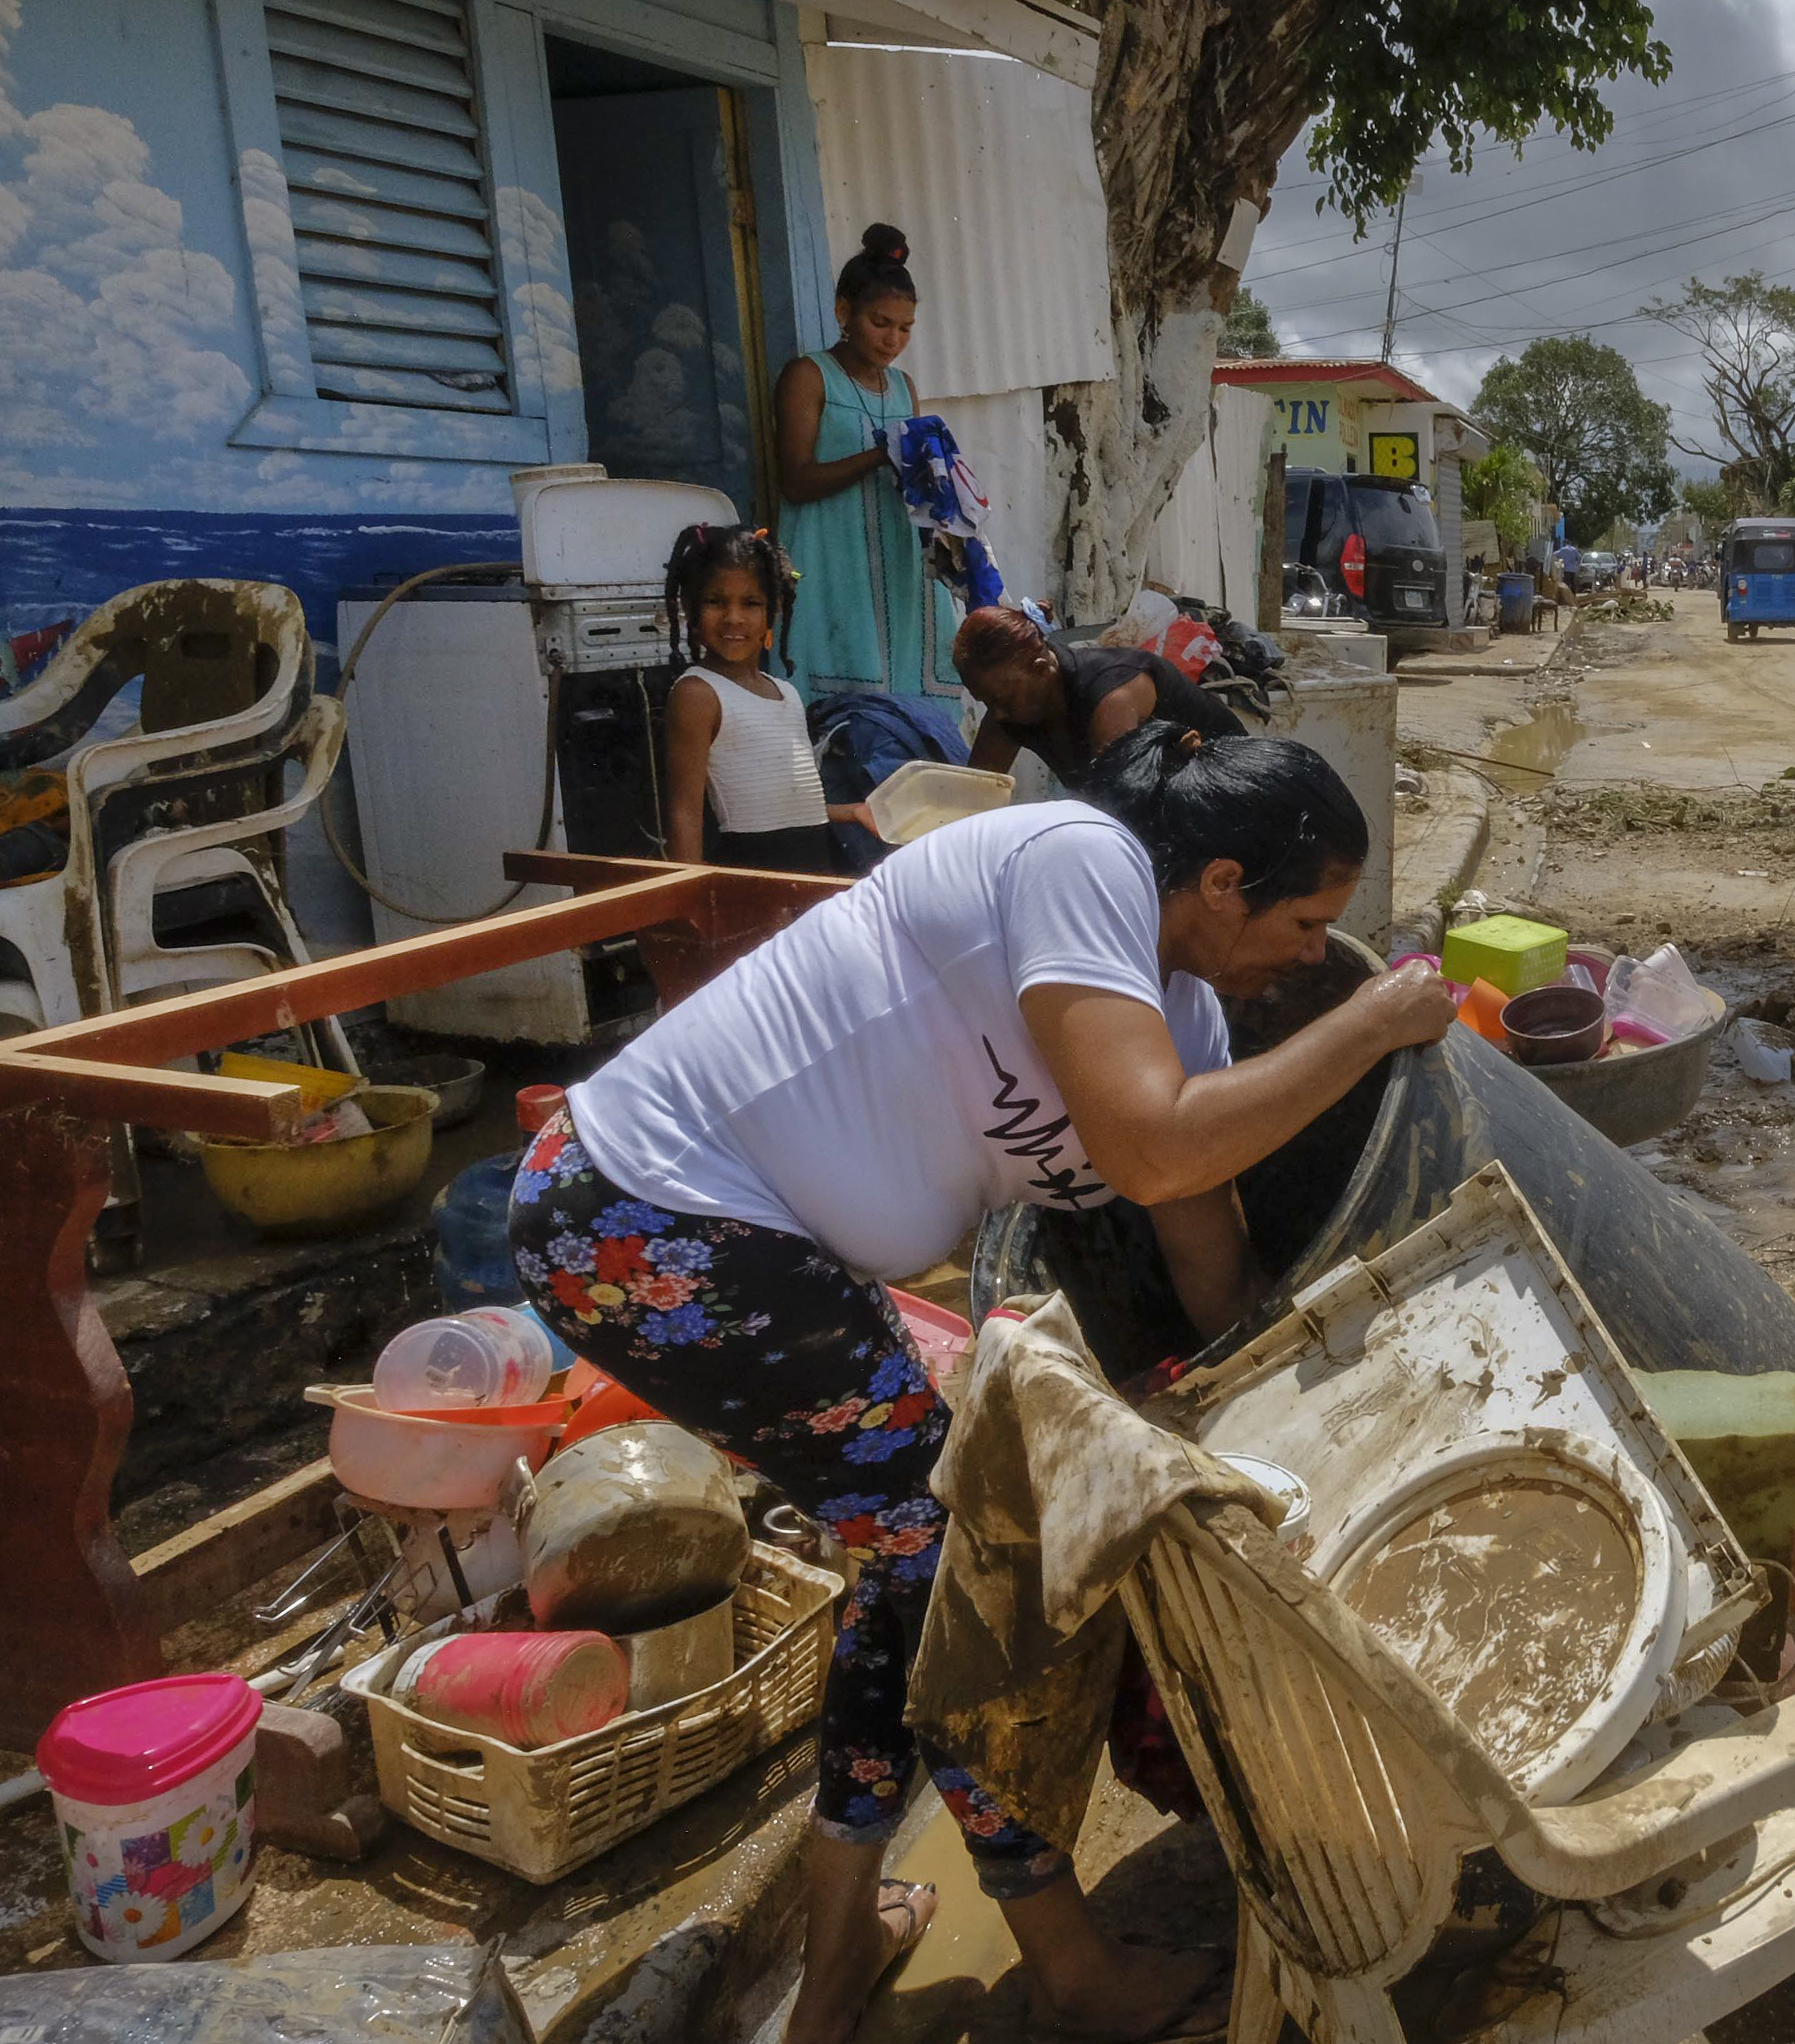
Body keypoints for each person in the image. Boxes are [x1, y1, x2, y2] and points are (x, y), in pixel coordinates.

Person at [509, 726, 1454, 2044]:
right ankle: (1050, 1965)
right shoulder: (1083, 862)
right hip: (650, 1216)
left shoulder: (1168, 1011)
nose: (1309, 957)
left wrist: (1266, 1419)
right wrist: (1372, 1020)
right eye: (1305, 923)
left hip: (726, 1250)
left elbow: (1200, 1241)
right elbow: (1151, 1147)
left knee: (908, 1578)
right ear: (1222, 880)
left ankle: (852, 1949)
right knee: (957, 1567)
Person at [777, 223, 959, 701]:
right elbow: (796, 481)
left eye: (905, 328)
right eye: (881, 323)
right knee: (836, 701)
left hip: (899, 560)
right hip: (831, 556)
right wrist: (881, 455)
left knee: (909, 701)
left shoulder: (904, 388)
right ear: (844, 312)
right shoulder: (810, 376)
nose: (893, 340)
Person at [657, 525, 868, 874]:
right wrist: (688, 901)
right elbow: (684, 812)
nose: (734, 618)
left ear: (774, 610)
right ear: (691, 609)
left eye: (751, 603)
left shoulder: (786, 692)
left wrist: (850, 812)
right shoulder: (698, 694)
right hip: (752, 877)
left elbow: (787, 807)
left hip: (812, 873)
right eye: (715, 602)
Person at [952, 604, 1246, 789]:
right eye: (988, 702)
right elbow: (974, 796)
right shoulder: (1013, 706)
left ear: (1042, 670)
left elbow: (1115, 812)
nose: (998, 714)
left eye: (1002, 700)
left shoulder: (1113, 698)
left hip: (1232, 787)